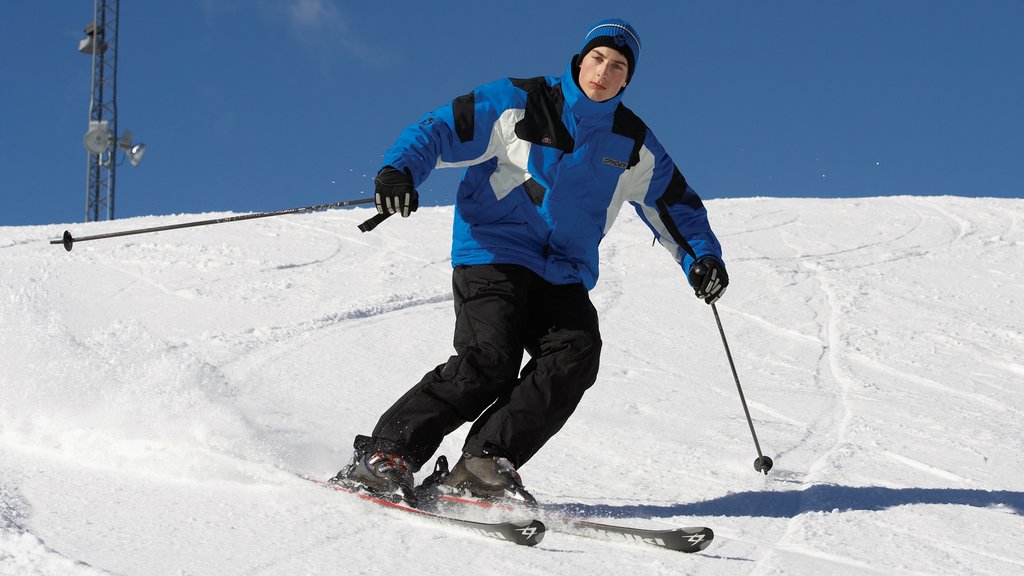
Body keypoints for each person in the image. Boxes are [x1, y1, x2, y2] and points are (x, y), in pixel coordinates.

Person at [331, 18, 728, 503]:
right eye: (598, 58)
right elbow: (439, 128)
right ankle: (386, 455)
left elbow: (675, 204)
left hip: (562, 270)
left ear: (627, 80)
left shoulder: (631, 142)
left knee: (575, 355)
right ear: (580, 60)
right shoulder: (520, 99)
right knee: (488, 361)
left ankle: (482, 465)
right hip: (494, 250)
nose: (604, 71)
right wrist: (399, 171)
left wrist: (702, 258)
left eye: (618, 66)